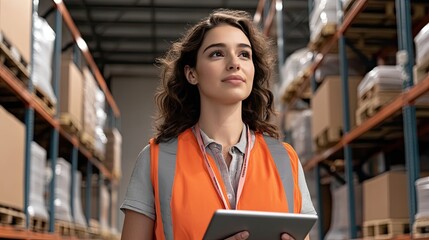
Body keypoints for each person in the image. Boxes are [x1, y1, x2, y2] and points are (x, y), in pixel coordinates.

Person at [120, 8, 316, 240]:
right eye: (217, 54)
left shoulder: (286, 159)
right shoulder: (156, 159)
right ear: (192, 73)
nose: (235, 63)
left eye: (244, 55)